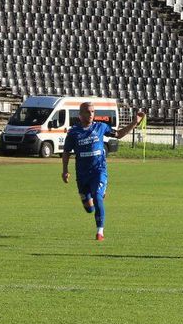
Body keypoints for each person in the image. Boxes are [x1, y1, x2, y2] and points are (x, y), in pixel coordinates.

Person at [61, 103, 146, 241]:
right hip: (82, 174)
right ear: (80, 114)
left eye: (93, 112)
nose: (91, 115)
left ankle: (100, 232)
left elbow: (118, 134)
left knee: (97, 197)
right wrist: (65, 170)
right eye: (88, 112)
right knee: (89, 208)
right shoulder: (74, 132)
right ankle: (93, 198)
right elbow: (66, 152)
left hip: (98, 170)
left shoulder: (100, 127)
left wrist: (134, 123)